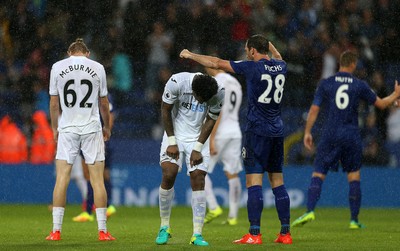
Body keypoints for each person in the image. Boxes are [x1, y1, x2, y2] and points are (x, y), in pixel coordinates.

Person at [180, 34, 292, 245]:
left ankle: (255, 234)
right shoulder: (281, 67)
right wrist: (267, 44)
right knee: (278, 181)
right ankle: (285, 233)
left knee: (253, 181)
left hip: (257, 131)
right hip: (277, 131)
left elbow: (216, 63)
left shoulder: (251, 68)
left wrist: (191, 55)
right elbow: (278, 56)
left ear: (252, 51)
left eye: (247, 49)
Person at [291, 51, 400, 229]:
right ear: (353, 64)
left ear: (340, 64)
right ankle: (354, 220)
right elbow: (380, 104)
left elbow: (314, 109)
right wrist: (395, 96)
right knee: (354, 176)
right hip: (351, 135)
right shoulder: (359, 85)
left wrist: (308, 132)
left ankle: (310, 210)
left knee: (318, 172)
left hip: (331, 134)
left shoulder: (326, 83)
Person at [46, 38, 115, 241]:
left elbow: (53, 102)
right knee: (97, 180)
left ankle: (56, 231)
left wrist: (54, 128)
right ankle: (103, 231)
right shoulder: (98, 67)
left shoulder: (57, 67)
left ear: (69, 52)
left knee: (62, 179)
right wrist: (107, 127)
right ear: (87, 53)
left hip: (67, 128)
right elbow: (104, 103)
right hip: (91, 128)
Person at [155, 72, 224, 246]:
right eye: (200, 98)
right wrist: (171, 141)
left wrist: (198, 147)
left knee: (198, 178)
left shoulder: (217, 91)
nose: (201, 102)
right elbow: (165, 109)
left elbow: (211, 119)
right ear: (193, 90)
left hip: (198, 136)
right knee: (169, 173)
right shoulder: (177, 82)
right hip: (175, 133)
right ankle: (164, 227)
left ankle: (197, 235)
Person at [202, 67, 243, 226]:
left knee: (198, 170)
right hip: (235, 131)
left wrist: (211, 138)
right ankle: (233, 216)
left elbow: (217, 111)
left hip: (220, 133)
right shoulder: (236, 83)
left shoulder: (217, 82)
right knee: (231, 173)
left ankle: (213, 207)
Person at [73, 96, 117, 222]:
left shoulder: (101, 97)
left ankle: (91, 210)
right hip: (93, 137)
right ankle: (105, 206)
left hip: (94, 138)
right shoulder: (99, 96)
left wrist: (105, 134)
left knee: (93, 175)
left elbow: (110, 116)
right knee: (100, 175)